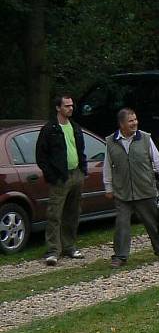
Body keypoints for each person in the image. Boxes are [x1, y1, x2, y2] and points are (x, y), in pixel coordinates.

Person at [103, 108, 159, 268]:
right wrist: (108, 187)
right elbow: (108, 166)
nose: (134, 123)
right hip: (122, 192)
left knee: (152, 222)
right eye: (131, 121)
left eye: (135, 120)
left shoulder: (145, 139)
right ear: (121, 124)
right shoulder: (111, 142)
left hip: (145, 189)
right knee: (121, 224)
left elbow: (158, 162)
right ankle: (120, 256)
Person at [35, 95, 88, 266]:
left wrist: (83, 169)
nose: (70, 108)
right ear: (58, 108)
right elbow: (41, 156)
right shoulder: (49, 129)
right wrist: (52, 175)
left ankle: (69, 246)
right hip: (60, 177)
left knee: (73, 213)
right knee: (55, 214)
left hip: (76, 174)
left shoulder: (75, 127)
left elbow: (80, 149)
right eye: (66, 106)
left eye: (71, 105)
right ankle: (53, 250)